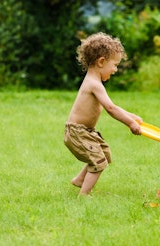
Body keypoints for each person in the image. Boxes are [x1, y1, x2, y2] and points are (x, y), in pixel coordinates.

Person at [64, 32, 142, 196]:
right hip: (77, 132)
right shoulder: (94, 84)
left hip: (85, 132)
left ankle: (79, 180)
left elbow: (113, 106)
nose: (115, 69)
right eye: (114, 65)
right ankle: (84, 195)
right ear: (101, 62)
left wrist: (131, 116)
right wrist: (130, 123)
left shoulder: (94, 82)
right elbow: (111, 109)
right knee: (98, 161)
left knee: (104, 153)